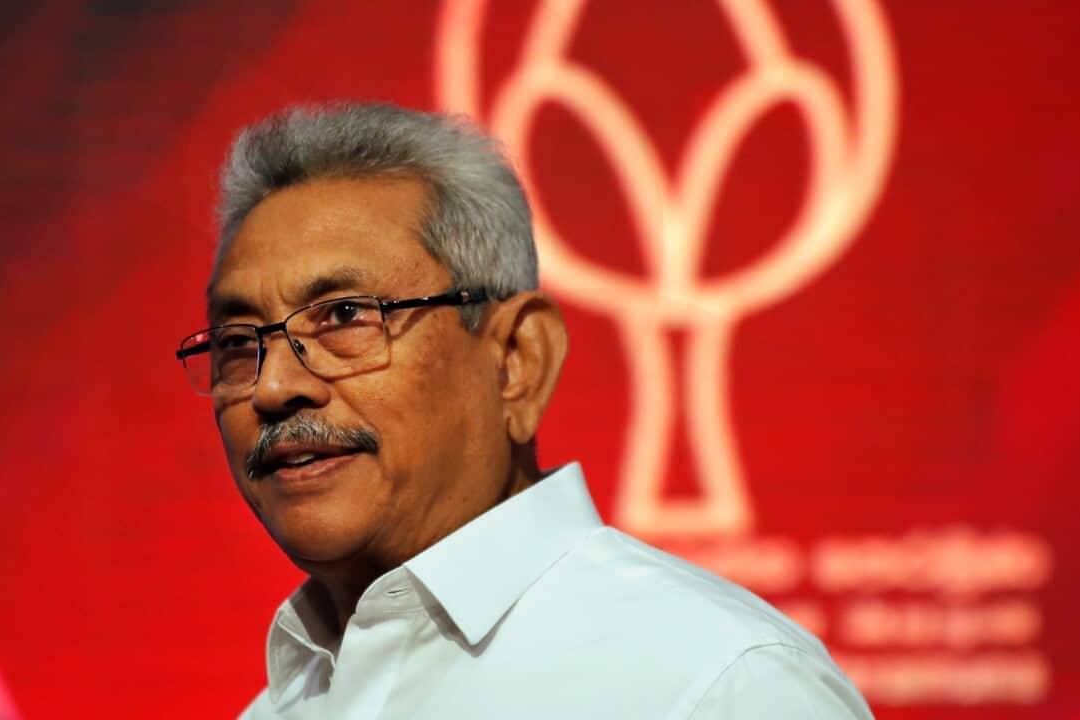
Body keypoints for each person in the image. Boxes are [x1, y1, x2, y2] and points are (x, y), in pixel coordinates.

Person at [176, 102, 873, 719]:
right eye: (239, 343)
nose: (273, 388)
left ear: (516, 359)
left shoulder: (717, 686)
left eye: (345, 316)